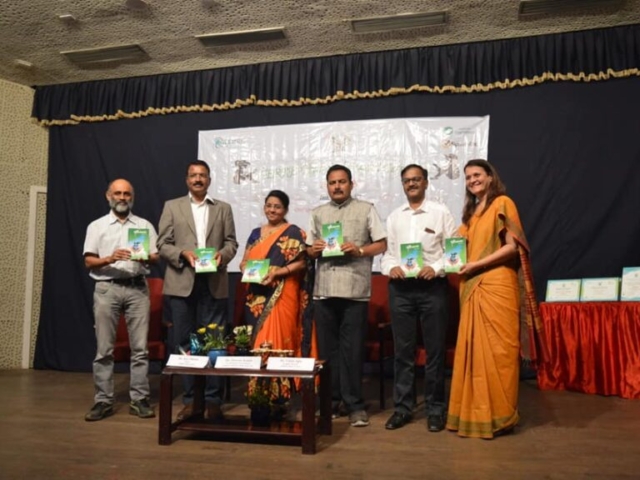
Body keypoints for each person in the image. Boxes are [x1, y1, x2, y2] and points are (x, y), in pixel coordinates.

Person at [446, 159, 547, 439]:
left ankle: (501, 416)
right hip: (472, 286)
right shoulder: (470, 214)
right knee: (474, 353)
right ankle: (474, 415)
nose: (472, 180)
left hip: (497, 285)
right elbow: (456, 248)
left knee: (500, 353)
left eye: (477, 174)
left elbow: (513, 248)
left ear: (490, 177)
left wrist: (477, 265)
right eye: (468, 177)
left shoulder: (503, 203)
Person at [157, 160, 238, 421]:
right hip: (182, 282)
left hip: (213, 282)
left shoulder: (223, 208)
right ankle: (192, 400)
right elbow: (162, 243)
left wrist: (222, 256)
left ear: (209, 179)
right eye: (193, 175)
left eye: (202, 175)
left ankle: (213, 400)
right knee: (185, 342)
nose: (198, 179)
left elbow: (231, 243)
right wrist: (182, 253)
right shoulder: (172, 206)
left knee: (214, 342)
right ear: (187, 180)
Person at [306, 165, 387, 427]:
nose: (337, 186)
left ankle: (354, 405)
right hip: (324, 291)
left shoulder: (366, 209)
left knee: (352, 351)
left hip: (355, 292)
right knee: (327, 351)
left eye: (342, 182)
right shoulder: (318, 213)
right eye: (332, 183)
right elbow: (308, 250)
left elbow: (382, 243)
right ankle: (329, 402)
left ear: (351, 184)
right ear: (327, 186)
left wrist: (360, 250)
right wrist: (315, 249)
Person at [381, 164, 457, 432]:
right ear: (403, 185)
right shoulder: (394, 217)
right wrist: (391, 267)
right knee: (403, 352)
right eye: (407, 180)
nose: (411, 184)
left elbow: (454, 251)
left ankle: (435, 409)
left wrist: (435, 268)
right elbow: (388, 254)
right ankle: (403, 408)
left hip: (432, 288)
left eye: (416, 179)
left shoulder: (440, 212)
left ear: (426, 182)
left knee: (435, 351)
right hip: (401, 289)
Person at [83, 178, 159, 421]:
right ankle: (103, 400)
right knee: (104, 349)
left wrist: (144, 257)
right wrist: (110, 258)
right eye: (118, 193)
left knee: (140, 349)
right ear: (108, 196)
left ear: (132, 197)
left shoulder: (144, 225)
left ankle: (139, 399)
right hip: (107, 288)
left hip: (137, 288)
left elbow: (156, 257)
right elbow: (89, 261)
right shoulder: (97, 226)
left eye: (127, 194)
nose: (122, 198)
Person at [239, 190, 317, 406]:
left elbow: (303, 263)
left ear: (285, 210)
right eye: (269, 206)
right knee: (259, 342)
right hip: (257, 295)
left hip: (284, 292)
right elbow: (244, 261)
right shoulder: (255, 234)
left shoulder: (294, 233)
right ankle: (259, 397)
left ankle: (282, 397)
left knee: (281, 340)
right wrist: (247, 269)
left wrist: (278, 272)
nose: (272, 210)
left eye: (277, 207)